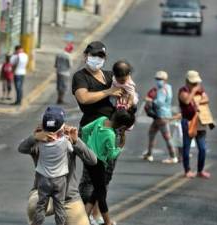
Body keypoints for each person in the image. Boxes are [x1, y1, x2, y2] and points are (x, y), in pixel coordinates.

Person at [71, 41, 123, 223]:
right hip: (92, 132)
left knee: (106, 175)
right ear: (85, 56)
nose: (96, 59)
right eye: (93, 55)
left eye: (100, 56)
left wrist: (127, 96)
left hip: (110, 131)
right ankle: (82, 216)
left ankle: (95, 213)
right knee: (90, 176)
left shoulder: (110, 76)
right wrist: (108, 91)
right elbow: (83, 98)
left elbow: (125, 88)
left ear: (105, 58)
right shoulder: (80, 77)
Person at [18, 120, 97, 225]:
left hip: (68, 198)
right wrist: (34, 137)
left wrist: (76, 141)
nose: (53, 136)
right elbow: (22, 148)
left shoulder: (68, 142)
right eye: (50, 132)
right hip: (44, 195)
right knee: (34, 205)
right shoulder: (39, 143)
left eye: (57, 132)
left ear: (63, 130)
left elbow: (92, 160)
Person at [80, 110, 136, 225]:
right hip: (99, 164)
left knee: (96, 191)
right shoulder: (110, 134)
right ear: (123, 127)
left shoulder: (101, 119)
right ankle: (107, 222)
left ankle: (84, 218)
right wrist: (120, 146)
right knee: (101, 195)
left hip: (89, 160)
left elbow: (85, 130)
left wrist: (87, 147)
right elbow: (111, 156)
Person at [23, 106, 73, 225]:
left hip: (43, 180)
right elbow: (71, 149)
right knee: (59, 207)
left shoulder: (40, 143)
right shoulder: (65, 142)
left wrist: (35, 136)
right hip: (60, 180)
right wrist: (68, 136)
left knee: (40, 206)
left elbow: (23, 148)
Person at [178, 70, 211, 179]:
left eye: (196, 84)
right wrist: (193, 92)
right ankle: (187, 170)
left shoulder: (200, 90)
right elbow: (186, 101)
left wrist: (198, 101)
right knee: (186, 147)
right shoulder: (183, 91)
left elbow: (206, 98)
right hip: (188, 122)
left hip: (199, 122)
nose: (195, 85)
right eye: (193, 83)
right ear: (187, 82)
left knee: (202, 148)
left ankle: (200, 170)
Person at [143, 71, 178, 164]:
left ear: (165, 80)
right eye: (157, 79)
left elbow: (160, 102)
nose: (158, 81)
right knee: (151, 133)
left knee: (167, 136)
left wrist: (150, 100)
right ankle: (149, 154)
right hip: (163, 115)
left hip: (161, 115)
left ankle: (173, 156)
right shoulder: (168, 87)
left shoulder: (162, 90)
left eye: (160, 79)